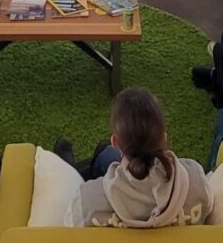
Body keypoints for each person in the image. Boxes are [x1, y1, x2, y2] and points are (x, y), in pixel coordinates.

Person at [74, 88, 212, 229]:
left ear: (115, 142)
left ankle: (70, 164)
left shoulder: (87, 202)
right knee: (104, 154)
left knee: (104, 155)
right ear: (163, 138)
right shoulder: (198, 182)